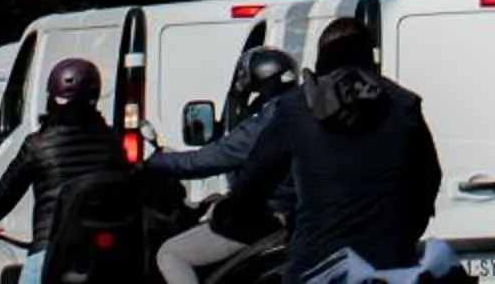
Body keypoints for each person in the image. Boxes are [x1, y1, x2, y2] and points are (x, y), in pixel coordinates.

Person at [227, 21, 440, 284]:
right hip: (390, 267)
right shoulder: (404, 105)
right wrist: (401, 233)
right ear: (369, 56)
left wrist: (238, 214)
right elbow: (429, 180)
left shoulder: (296, 108)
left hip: (315, 266)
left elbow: (253, 179)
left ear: (321, 59)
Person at [142, 48, 300, 284]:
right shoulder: (303, 110)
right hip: (299, 216)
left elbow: (206, 160)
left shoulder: (265, 123)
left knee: (171, 253)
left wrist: (154, 162)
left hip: (267, 219)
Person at [0, 59, 121, 284]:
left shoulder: (38, 145)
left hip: (50, 252)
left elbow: (4, 196)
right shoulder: (114, 142)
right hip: (105, 258)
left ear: (52, 99)